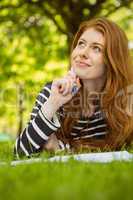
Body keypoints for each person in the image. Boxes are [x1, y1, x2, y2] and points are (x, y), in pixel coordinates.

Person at [14, 17, 133, 158]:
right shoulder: (53, 91)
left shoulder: (124, 98)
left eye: (96, 48)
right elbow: (20, 152)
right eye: (81, 44)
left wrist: (58, 147)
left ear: (113, 60)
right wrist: (53, 104)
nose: (82, 53)